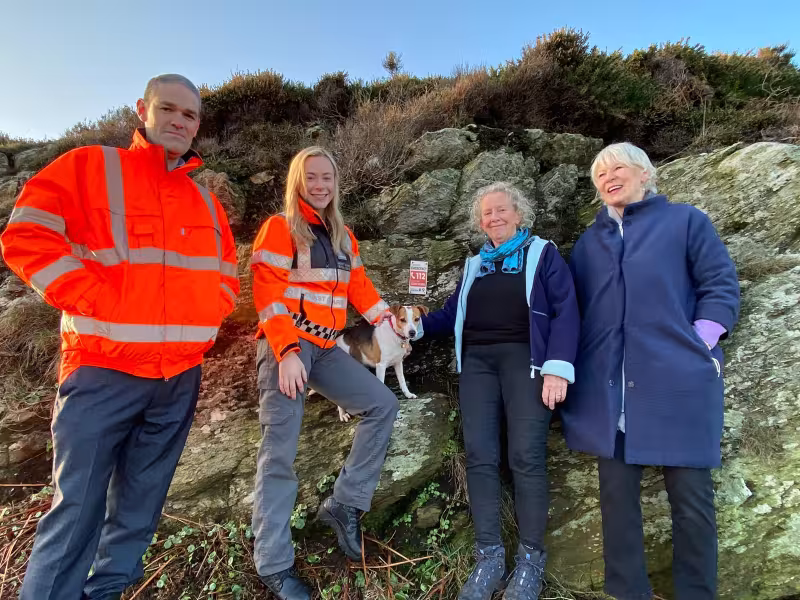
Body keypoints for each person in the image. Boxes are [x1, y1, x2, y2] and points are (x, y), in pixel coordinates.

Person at [0, 74, 240, 600]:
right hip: (101, 372)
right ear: (143, 109)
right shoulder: (90, 166)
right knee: (76, 513)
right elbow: (24, 235)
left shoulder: (206, 201)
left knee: (138, 511)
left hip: (178, 379)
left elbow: (227, 271)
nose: (180, 121)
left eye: (190, 115)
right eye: (169, 109)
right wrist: (91, 296)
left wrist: (213, 313)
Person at [563, 142, 740, 600]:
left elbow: (719, 282)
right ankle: (628, 593)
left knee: (692, 502)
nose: (608, 178)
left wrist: (699, 341)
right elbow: (571, 311)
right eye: (599, 175)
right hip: (611, 391)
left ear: (645, 174)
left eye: (617, 167)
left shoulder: (685, 221)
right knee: (616, 503)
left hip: (677, 384)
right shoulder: (588, 243)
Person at [414, 182, 579, 600]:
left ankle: (530, 563)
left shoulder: (543, 253)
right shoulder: (474, 265)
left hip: (527, 361)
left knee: (526, 456)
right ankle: (489, 559)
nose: (494, 218)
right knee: (481, 457)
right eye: (486, 214)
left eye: (501, 210)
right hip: (477, 365)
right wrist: (412, 326)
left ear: (518, 214)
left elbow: (565, 310)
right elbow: (452, 315)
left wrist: (558, 368)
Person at [250, 146, 399, 600]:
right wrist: (287, 350)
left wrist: (388, 320)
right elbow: (267, 293)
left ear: (336, 184)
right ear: (297, 181)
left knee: (382, 404)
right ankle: (272, 566)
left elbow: (359, 287)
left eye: (327, 178)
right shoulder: (279, 228)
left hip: (328, 349)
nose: (319, 186)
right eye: (310, 177)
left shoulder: (342, 235)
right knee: (279, 453)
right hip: (286, 350)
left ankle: (344, 504)